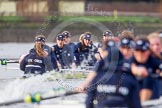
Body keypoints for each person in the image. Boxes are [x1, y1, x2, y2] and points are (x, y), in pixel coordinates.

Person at [123, 37, 162, 102]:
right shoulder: (130, 60)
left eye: (143, 51)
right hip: (132, 93)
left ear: (149, 51)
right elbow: (128, 67)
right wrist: (135, 70)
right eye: (137, 50)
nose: (140, 54)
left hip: (153, 95)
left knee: (148, 80)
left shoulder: (154, 61)